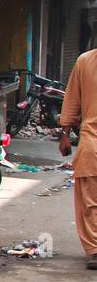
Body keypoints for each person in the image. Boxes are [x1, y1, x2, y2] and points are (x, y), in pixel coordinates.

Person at [57, 49, 97, 269]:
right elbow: (73, 99)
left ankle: (95, 250)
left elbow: (72, 99)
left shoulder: (85, 60)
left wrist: (65, 133)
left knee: (91, 202)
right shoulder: (85, 61)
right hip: (92, 143)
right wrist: (65, 132)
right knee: (91, 201)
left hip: (92, 145)